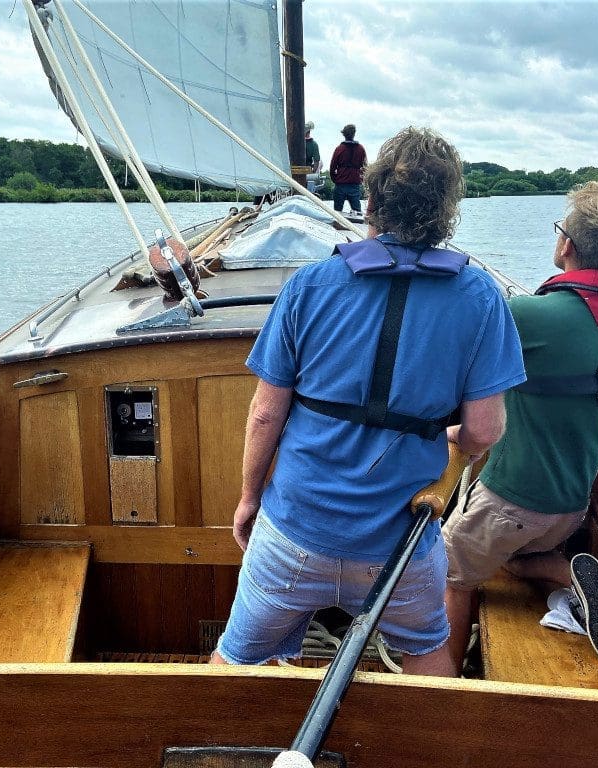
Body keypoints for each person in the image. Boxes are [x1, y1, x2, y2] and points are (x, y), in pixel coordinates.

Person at [211, 126, 526, 677]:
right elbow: (485, 430)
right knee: (427, 650)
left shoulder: (309, 285)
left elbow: (265, 414)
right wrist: (453, 445)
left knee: (239, 658)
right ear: (447, 210)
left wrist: (247, 498)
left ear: (372, 200)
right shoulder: (480, 298)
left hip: (295, 532)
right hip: (398, 545)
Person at [443, 181, 598, 669]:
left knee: (450, 575)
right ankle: (566, 572)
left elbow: (460, 357)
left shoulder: (525, 315)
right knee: (512, 561)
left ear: (567, 245)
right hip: (570, 506)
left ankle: (445, 681)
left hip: (511, 501)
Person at [329, 123, 367, 213]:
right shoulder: (361, 149)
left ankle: (337, 227)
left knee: (337, 213)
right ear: (354, 134)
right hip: (354, 183)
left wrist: (336, 179)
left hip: (341, 184)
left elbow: (332, 167)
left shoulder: (339, 149)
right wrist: (360, 178)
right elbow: (365, 167)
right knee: (357, 212)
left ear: (344, 134)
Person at [304, 121, 322, 194]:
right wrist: (313, 172)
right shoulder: (314, 144)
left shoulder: (293, 141)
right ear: (309, 132)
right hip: (307, 170)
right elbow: (316, 161)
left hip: (292, 170)